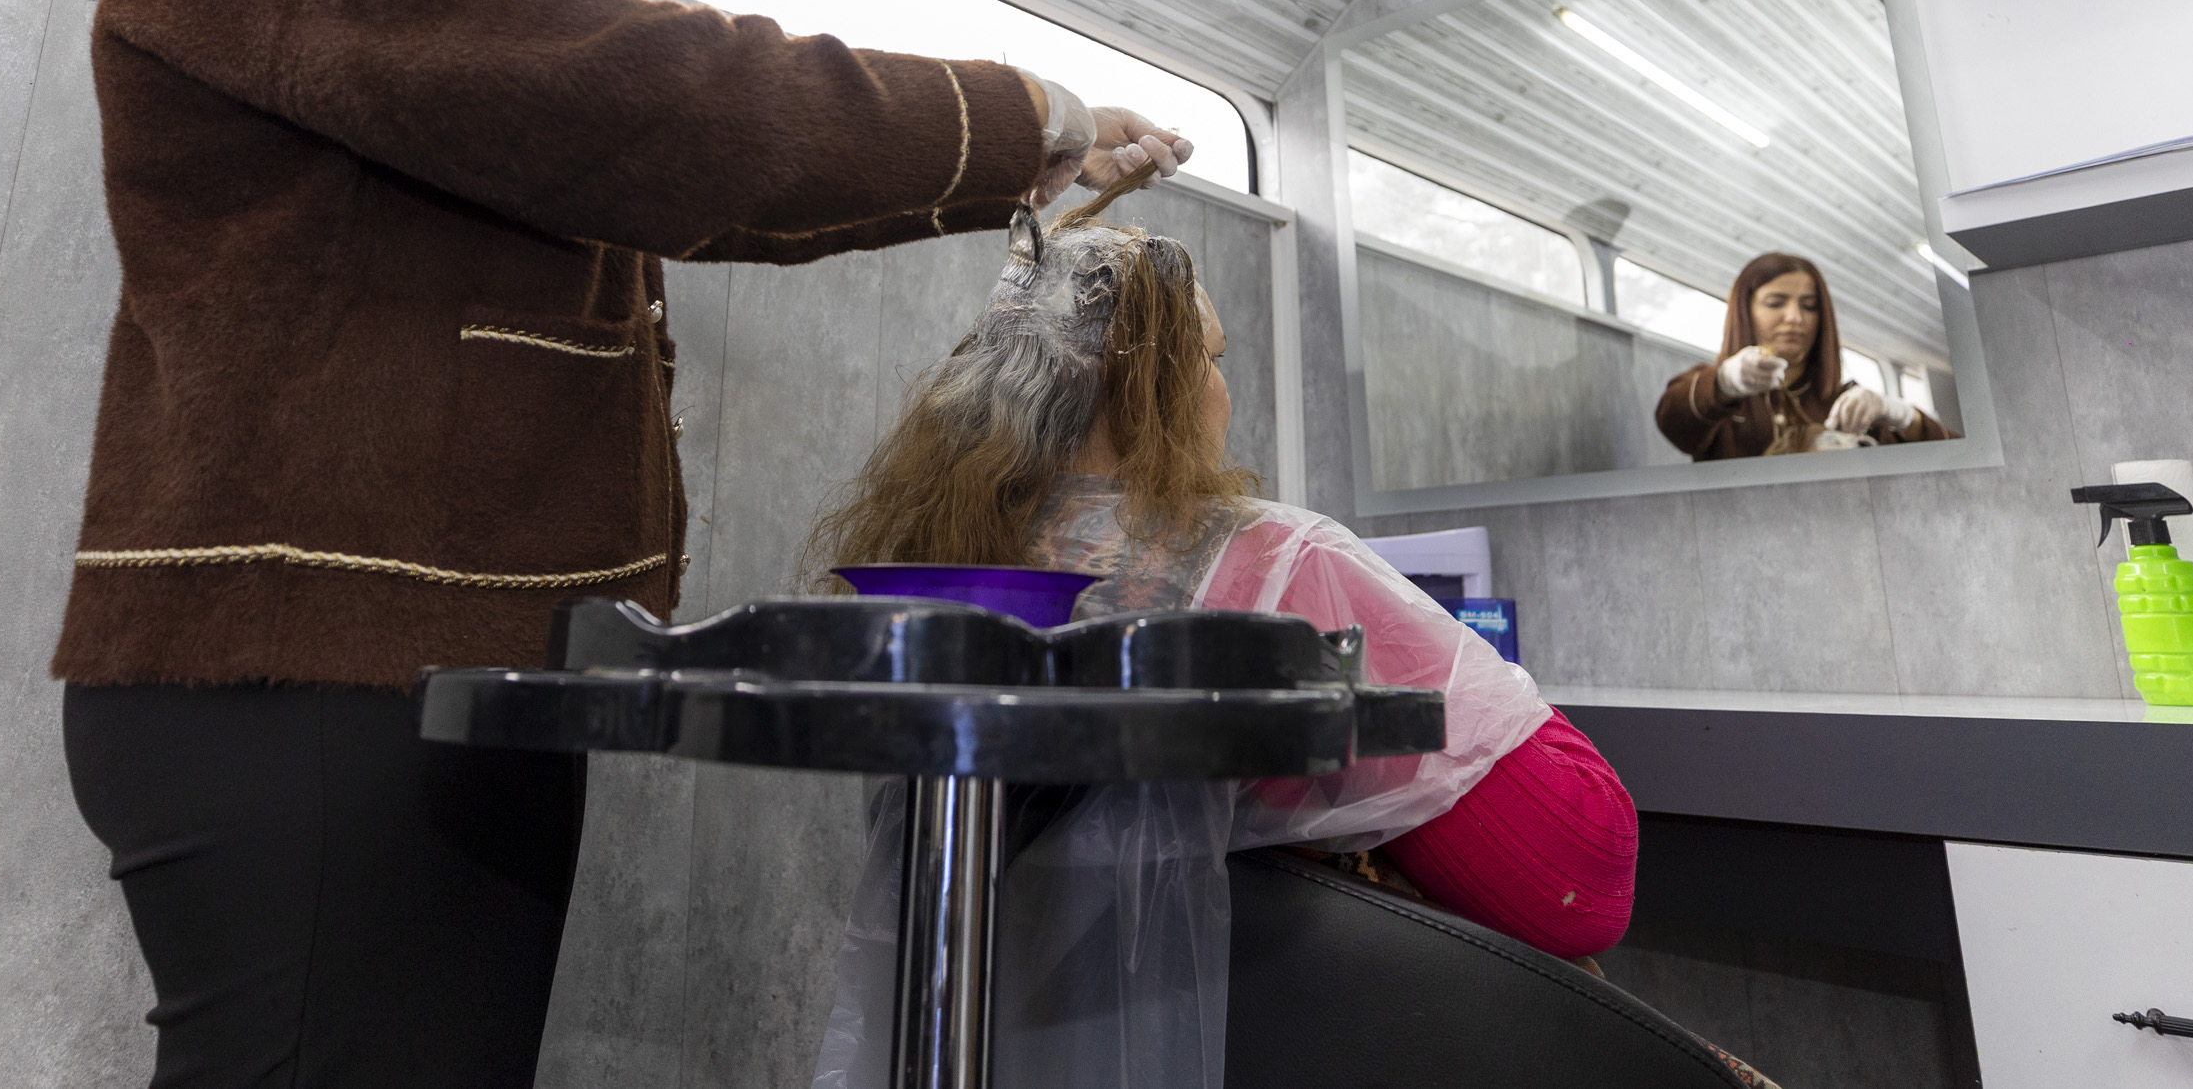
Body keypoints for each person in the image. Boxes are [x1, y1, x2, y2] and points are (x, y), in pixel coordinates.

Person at [52, 0, 1192, 1089]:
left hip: (386, 670)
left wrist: (1021, 159)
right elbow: (681, 111)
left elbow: (675, 169)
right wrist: (1025, 113)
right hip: (317, 691)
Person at [804, 170, 1638, 1015]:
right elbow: (1576, 883)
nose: (1220, 389)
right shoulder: (1278, 566)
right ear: (1151, 386)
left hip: (1005, 1022)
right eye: (1210, 359)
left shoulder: (948, 569)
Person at [1657, 250, 1953, 462]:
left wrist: (1899, 413)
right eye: (1776, 303)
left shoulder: (1848, 405)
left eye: (1809, 306)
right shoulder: (1715, 397)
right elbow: (1673, 421)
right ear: (1745, 312)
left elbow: (1953, 455)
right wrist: (1724, 382)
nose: (1795, 318)